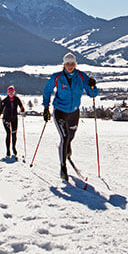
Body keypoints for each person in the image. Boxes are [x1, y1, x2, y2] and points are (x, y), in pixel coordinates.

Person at [42, 52, 98, 181]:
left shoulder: (81, 76)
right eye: (68, 64)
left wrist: (92, 85)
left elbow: (92, 94)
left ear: (75, 64)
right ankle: (63, 167)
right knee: (65, 137)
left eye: (72, 63)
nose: (70, 66)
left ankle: (67, 149)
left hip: (74, 113)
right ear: (64, 64)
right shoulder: (57, 77)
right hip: (60, 112)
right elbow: (47, 90)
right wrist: (46, 107)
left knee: (70, 137)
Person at [0, 85, 24, 158]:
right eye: (9, 92)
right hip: (6, 119)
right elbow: (0, 110)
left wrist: (22, 109)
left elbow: (21, 106)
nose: (11, 93)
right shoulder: (5, 100)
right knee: (8, 134)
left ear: (14, 92)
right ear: (7, 93)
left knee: (14, 134)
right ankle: (8, 150)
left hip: (14, 119)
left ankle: (14, 148)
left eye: (12, 92)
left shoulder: (17, 99)